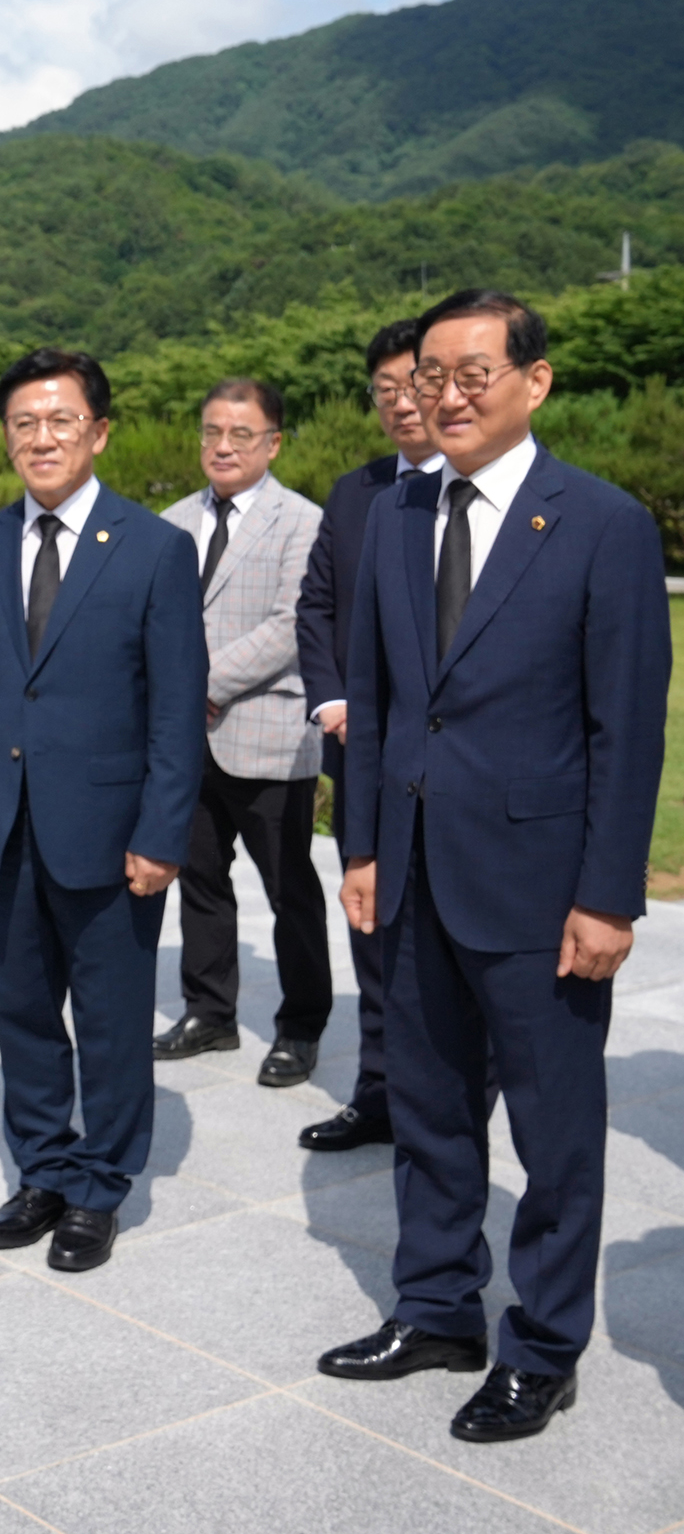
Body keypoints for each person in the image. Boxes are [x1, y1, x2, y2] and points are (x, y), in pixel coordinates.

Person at [318, 289, 668, 1444]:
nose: (446, 394)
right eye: (430, 373)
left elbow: (627, 728)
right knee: (424, 1106)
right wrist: (360, 844)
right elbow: (373, 701)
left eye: (471, 372)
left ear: (534, 380)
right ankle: (435, 1307)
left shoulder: (599, 523)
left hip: (538, 885)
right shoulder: (396, 515)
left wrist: (607, 894)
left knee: (554, 1130)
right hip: (410, 866)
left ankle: (541, 1346)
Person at [0, 349, 205, 1273]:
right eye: (24, 424)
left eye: (61, 422)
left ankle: (99, 1186)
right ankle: (41, 1168)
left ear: (100, 431)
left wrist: (164, 832)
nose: (41, 439)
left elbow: (175, 706)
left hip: (114, 834)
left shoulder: (156, 547)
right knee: (25, 1011)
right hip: (5, 823)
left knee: (116, 1019)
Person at [151, 380, 331, 1086]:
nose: (222, 446)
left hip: (268, 733)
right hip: (186, 742)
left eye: (240, 434)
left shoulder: (303, 522)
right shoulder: (170, 521)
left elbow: (292, 625)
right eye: (210, 432)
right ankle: (210, 1011)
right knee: (198, 879)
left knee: (290, 888)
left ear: (273, 442)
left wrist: (198, 683)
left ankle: (302, 1023)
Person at [290, 320, 439, 1152]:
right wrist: (334, 698)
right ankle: (379, 1090)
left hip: (457, 766)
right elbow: (316, 606)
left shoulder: (489, 493)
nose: (401, 403)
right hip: (364, 757)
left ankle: (451, 1099)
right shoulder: (355, 493)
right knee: (372, 927)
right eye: (384, 391)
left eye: (413, 383)